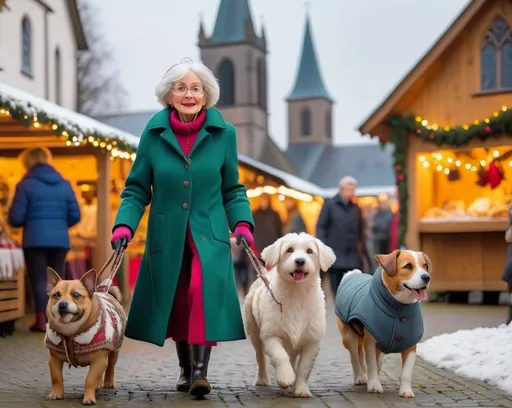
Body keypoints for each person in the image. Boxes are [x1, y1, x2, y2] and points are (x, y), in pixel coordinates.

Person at [110, 58, 255, 397]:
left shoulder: (225, 134)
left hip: (210, 234)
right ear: (169, 94)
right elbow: (135, 189)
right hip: (167, 235)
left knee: (200, 294)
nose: (189, 94)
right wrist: (123, 227)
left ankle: (201, 373)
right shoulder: (153, 133)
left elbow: (232, 189)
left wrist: (243, 223)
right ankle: (186, 368)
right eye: (181, 88)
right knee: (178, 301)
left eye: (195, 88)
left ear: (206, 95)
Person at [7, 147, 81, 332]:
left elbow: (15, 218)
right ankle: (57, 319)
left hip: (34, 239)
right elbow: (76, 215)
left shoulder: (25, 184)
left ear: (27, 162)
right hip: (60, 240)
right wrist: (60, 225)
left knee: (39, 279)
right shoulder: (64, 183)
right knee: (57, 280)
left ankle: (42, 320)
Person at [316, 176, 369, 297]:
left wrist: (363, 252)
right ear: (342, 189)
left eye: (353, 189)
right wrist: (323, 247)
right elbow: (321, 227)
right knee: (336, 288)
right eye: (349, 189)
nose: (351, 192)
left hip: (352, 257)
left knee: (351, 287)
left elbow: (361, 232)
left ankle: (347, 309)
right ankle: (339, 309)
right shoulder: (329, 205)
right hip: (335, 254)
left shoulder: (355, 208)